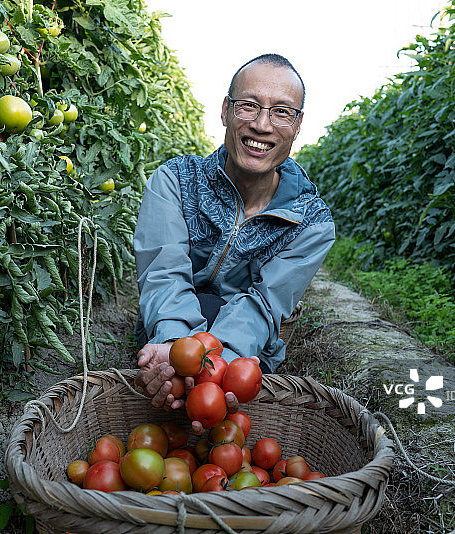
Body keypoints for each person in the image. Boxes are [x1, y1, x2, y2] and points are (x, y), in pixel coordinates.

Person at [132, 54, 335, 430]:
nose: (262, 125)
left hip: (244, 354)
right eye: (248, 106)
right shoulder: (175, 181)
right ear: (225, 110)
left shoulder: (312, 224)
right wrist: (179, 352)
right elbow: (164, 274)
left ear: (298, 124)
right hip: (169, 336)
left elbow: (264, 305)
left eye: (281, 112)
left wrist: (217, 369)